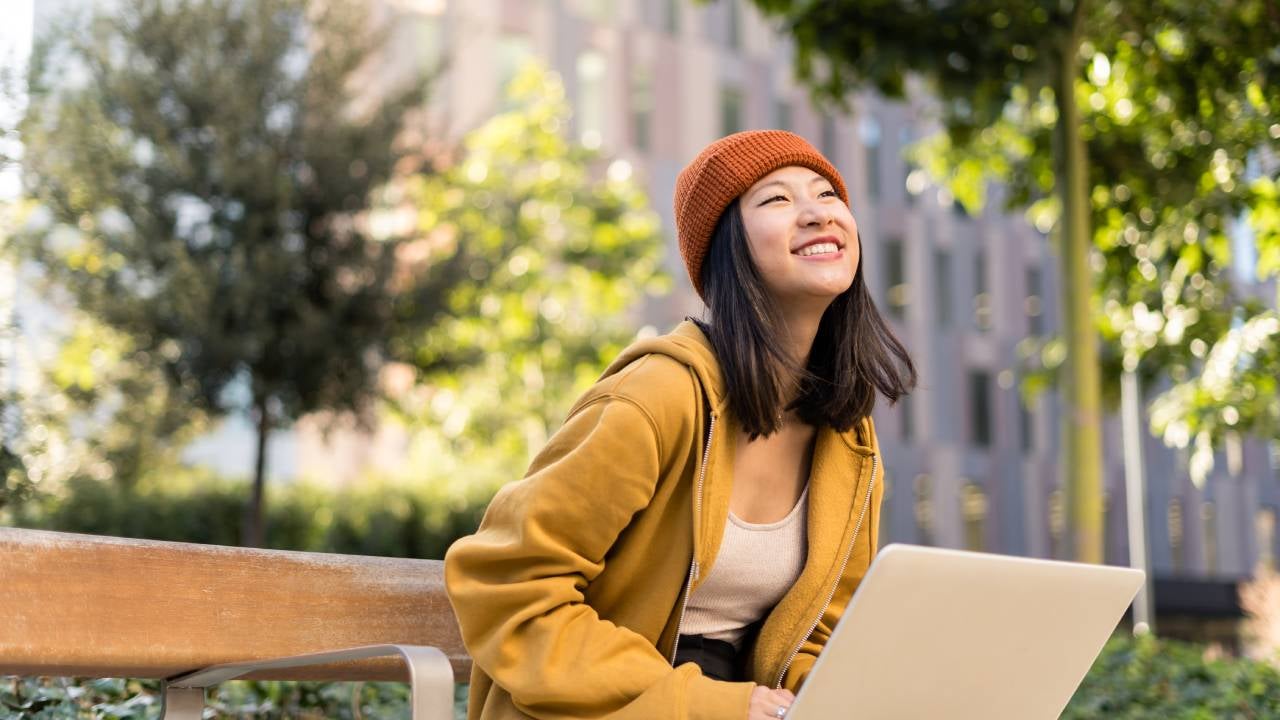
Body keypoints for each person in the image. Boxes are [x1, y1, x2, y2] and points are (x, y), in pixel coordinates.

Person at [444, 129, 917, 720]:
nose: (817, 213)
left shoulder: (847, 438)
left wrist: (824, 700)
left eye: (827, 194)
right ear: (727, 250)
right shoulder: (658, 397)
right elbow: (507, 586)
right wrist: (713, 706)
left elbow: (821, 633)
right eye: (776, 199)